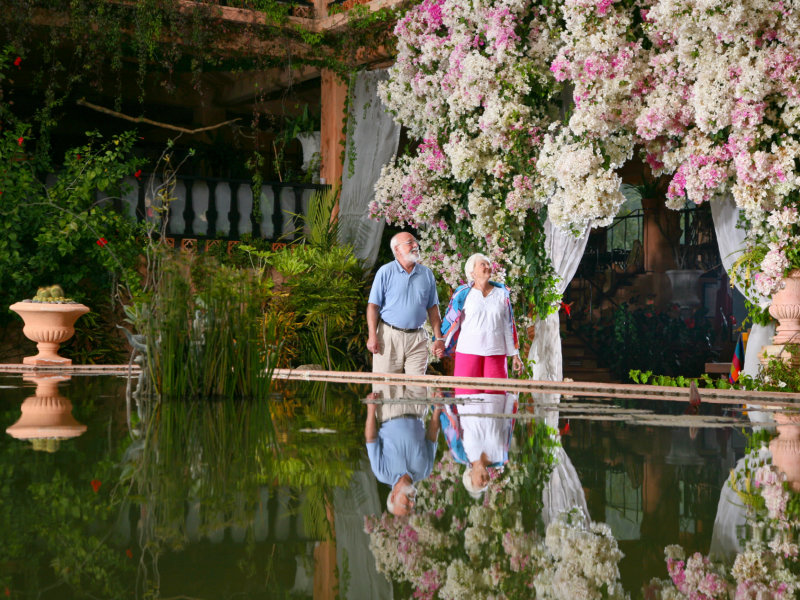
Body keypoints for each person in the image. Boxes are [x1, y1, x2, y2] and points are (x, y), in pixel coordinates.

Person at [364, 232, 446, 515]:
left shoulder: (427, 275)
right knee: (384, 386)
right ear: (397, 249)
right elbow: (373, 305)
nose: (416, 246)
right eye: (410, 243)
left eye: (406, 502)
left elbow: (433, 308)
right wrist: (372, 335)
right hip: (388, 337)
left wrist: (438, 337)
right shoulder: (385, 272)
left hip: (417, 339)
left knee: (417, 387)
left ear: (396, 495)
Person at [440, 252, 523, 495]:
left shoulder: (502, 293)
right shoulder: (463, 294)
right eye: (482, 264)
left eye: (480, 482)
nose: (487, 266)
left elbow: (510, 325)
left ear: (472, 476)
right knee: (463, 400)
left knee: (501, 399)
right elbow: (450, 321)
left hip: (496, 354)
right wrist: (441, 341)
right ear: (472, 272)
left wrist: (514, 354)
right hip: (468, 354)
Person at [365, 401, 442, 516]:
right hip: (417, 407)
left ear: (393, 497)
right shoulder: (425, 471)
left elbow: (371, 439)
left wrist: (371, 410)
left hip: (388, 407)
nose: (412, 504)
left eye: (406, 505)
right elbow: (432, 436)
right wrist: (437, 410)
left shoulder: (382, 473)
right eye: (411, 507)